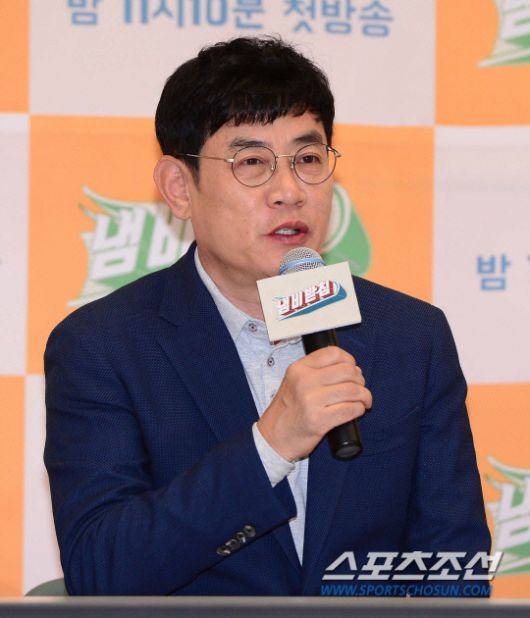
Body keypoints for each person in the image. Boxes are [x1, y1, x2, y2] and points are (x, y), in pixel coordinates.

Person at [45, 36, 490, 596]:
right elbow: (99, 571)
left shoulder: (409, 337)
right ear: (179, 188)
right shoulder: (103, 346)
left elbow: (454, 569)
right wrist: (270, 446)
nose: (289, 191)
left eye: (308, 159)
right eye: (252, 162)